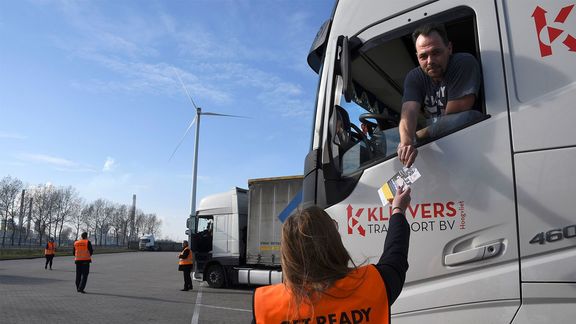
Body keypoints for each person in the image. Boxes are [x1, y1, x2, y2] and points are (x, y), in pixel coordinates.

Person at [253, 186, 412, 323]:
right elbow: (396, 252)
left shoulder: (267, 306)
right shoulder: (373, 285)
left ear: (288, 253)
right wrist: (398, 210)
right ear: (333, 241)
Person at [398, 23, 483, 167]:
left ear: (449, 48)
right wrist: (406, 143)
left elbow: (453, 119)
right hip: (446, 151)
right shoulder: (415, 77)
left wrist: (416, 136)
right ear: (417, 56)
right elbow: (408, 112)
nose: (430, 61)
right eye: (423, 56)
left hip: (474, 146)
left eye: (436, 53)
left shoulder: (463, 63)